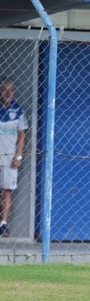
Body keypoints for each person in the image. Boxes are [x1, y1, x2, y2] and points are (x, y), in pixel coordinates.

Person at [0, 77, 27, 237]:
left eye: (11, 90)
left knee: (7, 190)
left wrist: (18, 156)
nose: (8, 93)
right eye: (5, 89)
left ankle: (3, 224)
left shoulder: (18, 111)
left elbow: (22, 134)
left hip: (9, 158)